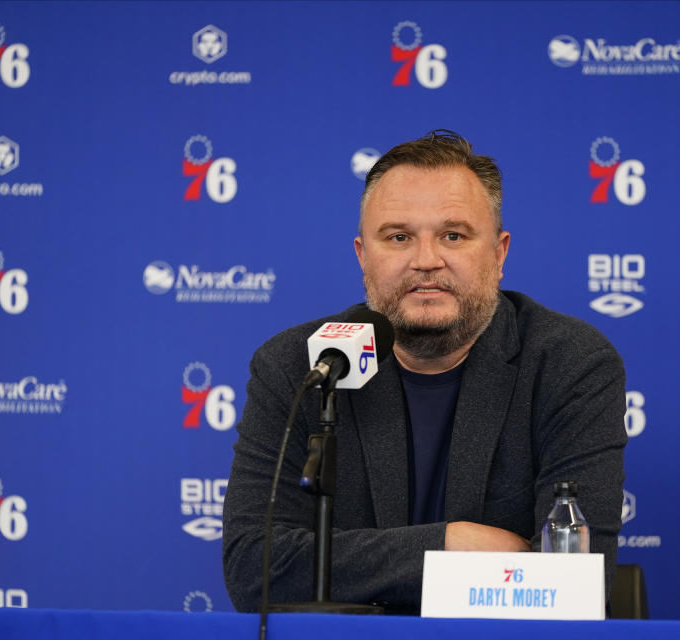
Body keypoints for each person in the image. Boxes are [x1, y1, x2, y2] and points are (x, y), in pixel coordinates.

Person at [222, 131, 627, 613]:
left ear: (499, 255)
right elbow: (254, 569)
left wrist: (369, 566)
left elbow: (576, 578)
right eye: (398, 237)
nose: (426, 261)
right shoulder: (302, 364)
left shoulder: (569, 364)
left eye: (453, 235)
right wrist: (447, 545)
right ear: (362, 255)